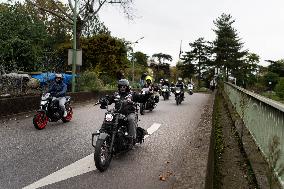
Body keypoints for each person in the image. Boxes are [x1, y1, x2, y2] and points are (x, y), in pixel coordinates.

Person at [99, 79, 147, 147]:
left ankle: (131, 138)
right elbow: (109, 99)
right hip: (117, 113)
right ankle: (103, 131)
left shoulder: (132, 94)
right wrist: (103, 100)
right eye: (121, 86)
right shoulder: (116, 94)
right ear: (119, 87)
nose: (122, 88)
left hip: (129, 113)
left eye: (124, 87)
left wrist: (147, 94)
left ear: (127, 87)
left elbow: (141, 98)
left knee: (131, 119)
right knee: (108, 116)